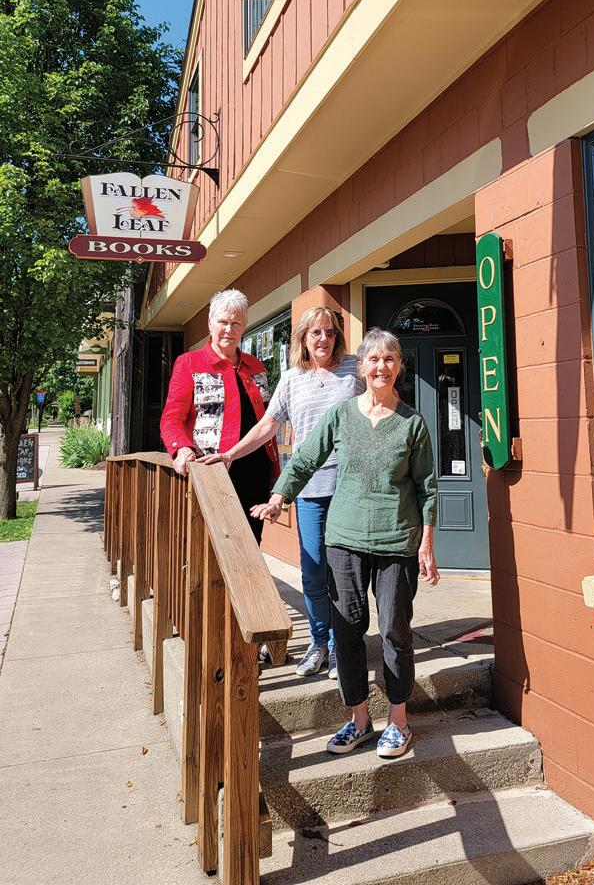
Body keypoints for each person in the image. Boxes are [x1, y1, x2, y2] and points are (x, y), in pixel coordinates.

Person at [252, 327, 439, 759]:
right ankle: (359, 719)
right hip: (345, 539)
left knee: (394, 630)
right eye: (373, 359)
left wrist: (426, 543)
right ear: (362, 367)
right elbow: (305, 459)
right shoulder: (341, 415)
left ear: (399, 367)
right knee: (348, 629)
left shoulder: (412, 423)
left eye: (389, 359)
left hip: (396, 540)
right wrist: (279, 497)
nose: (381, 367)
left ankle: (399, 721)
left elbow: (427, 488)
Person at [215, 306, 363, 678]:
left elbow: (381, 405)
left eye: (330, 332)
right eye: (316, 333)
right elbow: (268, 425)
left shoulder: (355, 369)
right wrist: (231, 453)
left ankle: (343, 648)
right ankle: (320, 643)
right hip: (310, 489)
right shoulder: (293, 378)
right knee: (313, 573)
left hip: (350, 489)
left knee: (345, 574)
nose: (324, 339)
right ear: (303, 338)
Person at [160, 289, 279, 543]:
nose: (228, 329)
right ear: (210, 324)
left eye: (236, 323)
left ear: (244, 326)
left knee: (250, 543)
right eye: (223, 322)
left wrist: (275, 470)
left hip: (256, 471)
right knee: (211, 544)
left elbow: (267, 420)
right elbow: (171, 419)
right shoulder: (189, 363)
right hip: (213, 470)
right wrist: (181, 448)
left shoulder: (256, 366)